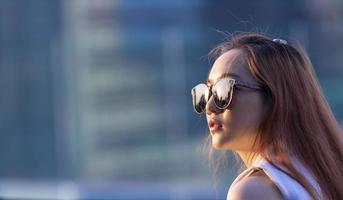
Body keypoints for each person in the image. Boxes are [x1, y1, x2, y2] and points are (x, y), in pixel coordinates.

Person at [191, 32, 343, 200]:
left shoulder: (252, 191)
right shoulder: (324, 176)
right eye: (207, 92)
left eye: (225, 90)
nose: (209, 107)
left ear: (276, 98)